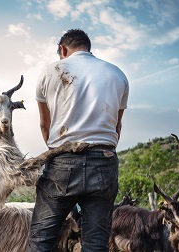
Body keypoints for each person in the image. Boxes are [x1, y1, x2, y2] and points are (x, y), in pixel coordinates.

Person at [28, 28, 129, 252]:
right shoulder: (117, 74)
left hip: (62, 162)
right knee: (95, 244)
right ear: (88, 48)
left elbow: (45, 125)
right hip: (104, 160)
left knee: (41, 240)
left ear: (62, 49)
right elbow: (116, 126)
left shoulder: (50, 71)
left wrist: (61, 154)